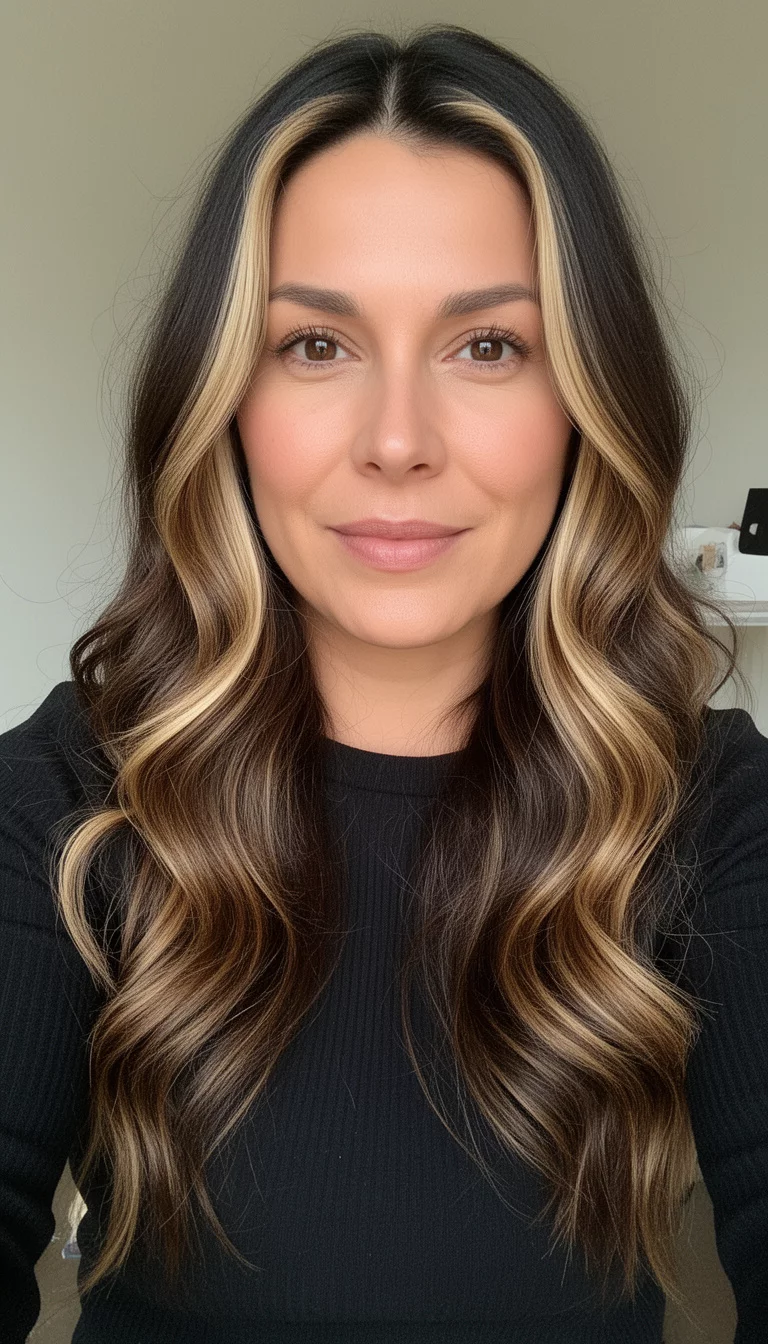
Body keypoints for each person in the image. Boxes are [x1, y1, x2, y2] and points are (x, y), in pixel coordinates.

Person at [1, 21, 767, 1344]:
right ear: (223, 400)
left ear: (588, 399)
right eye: (316, 345)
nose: (398, 441)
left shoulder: (710, 811)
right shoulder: (69, 799)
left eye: (488, 347)